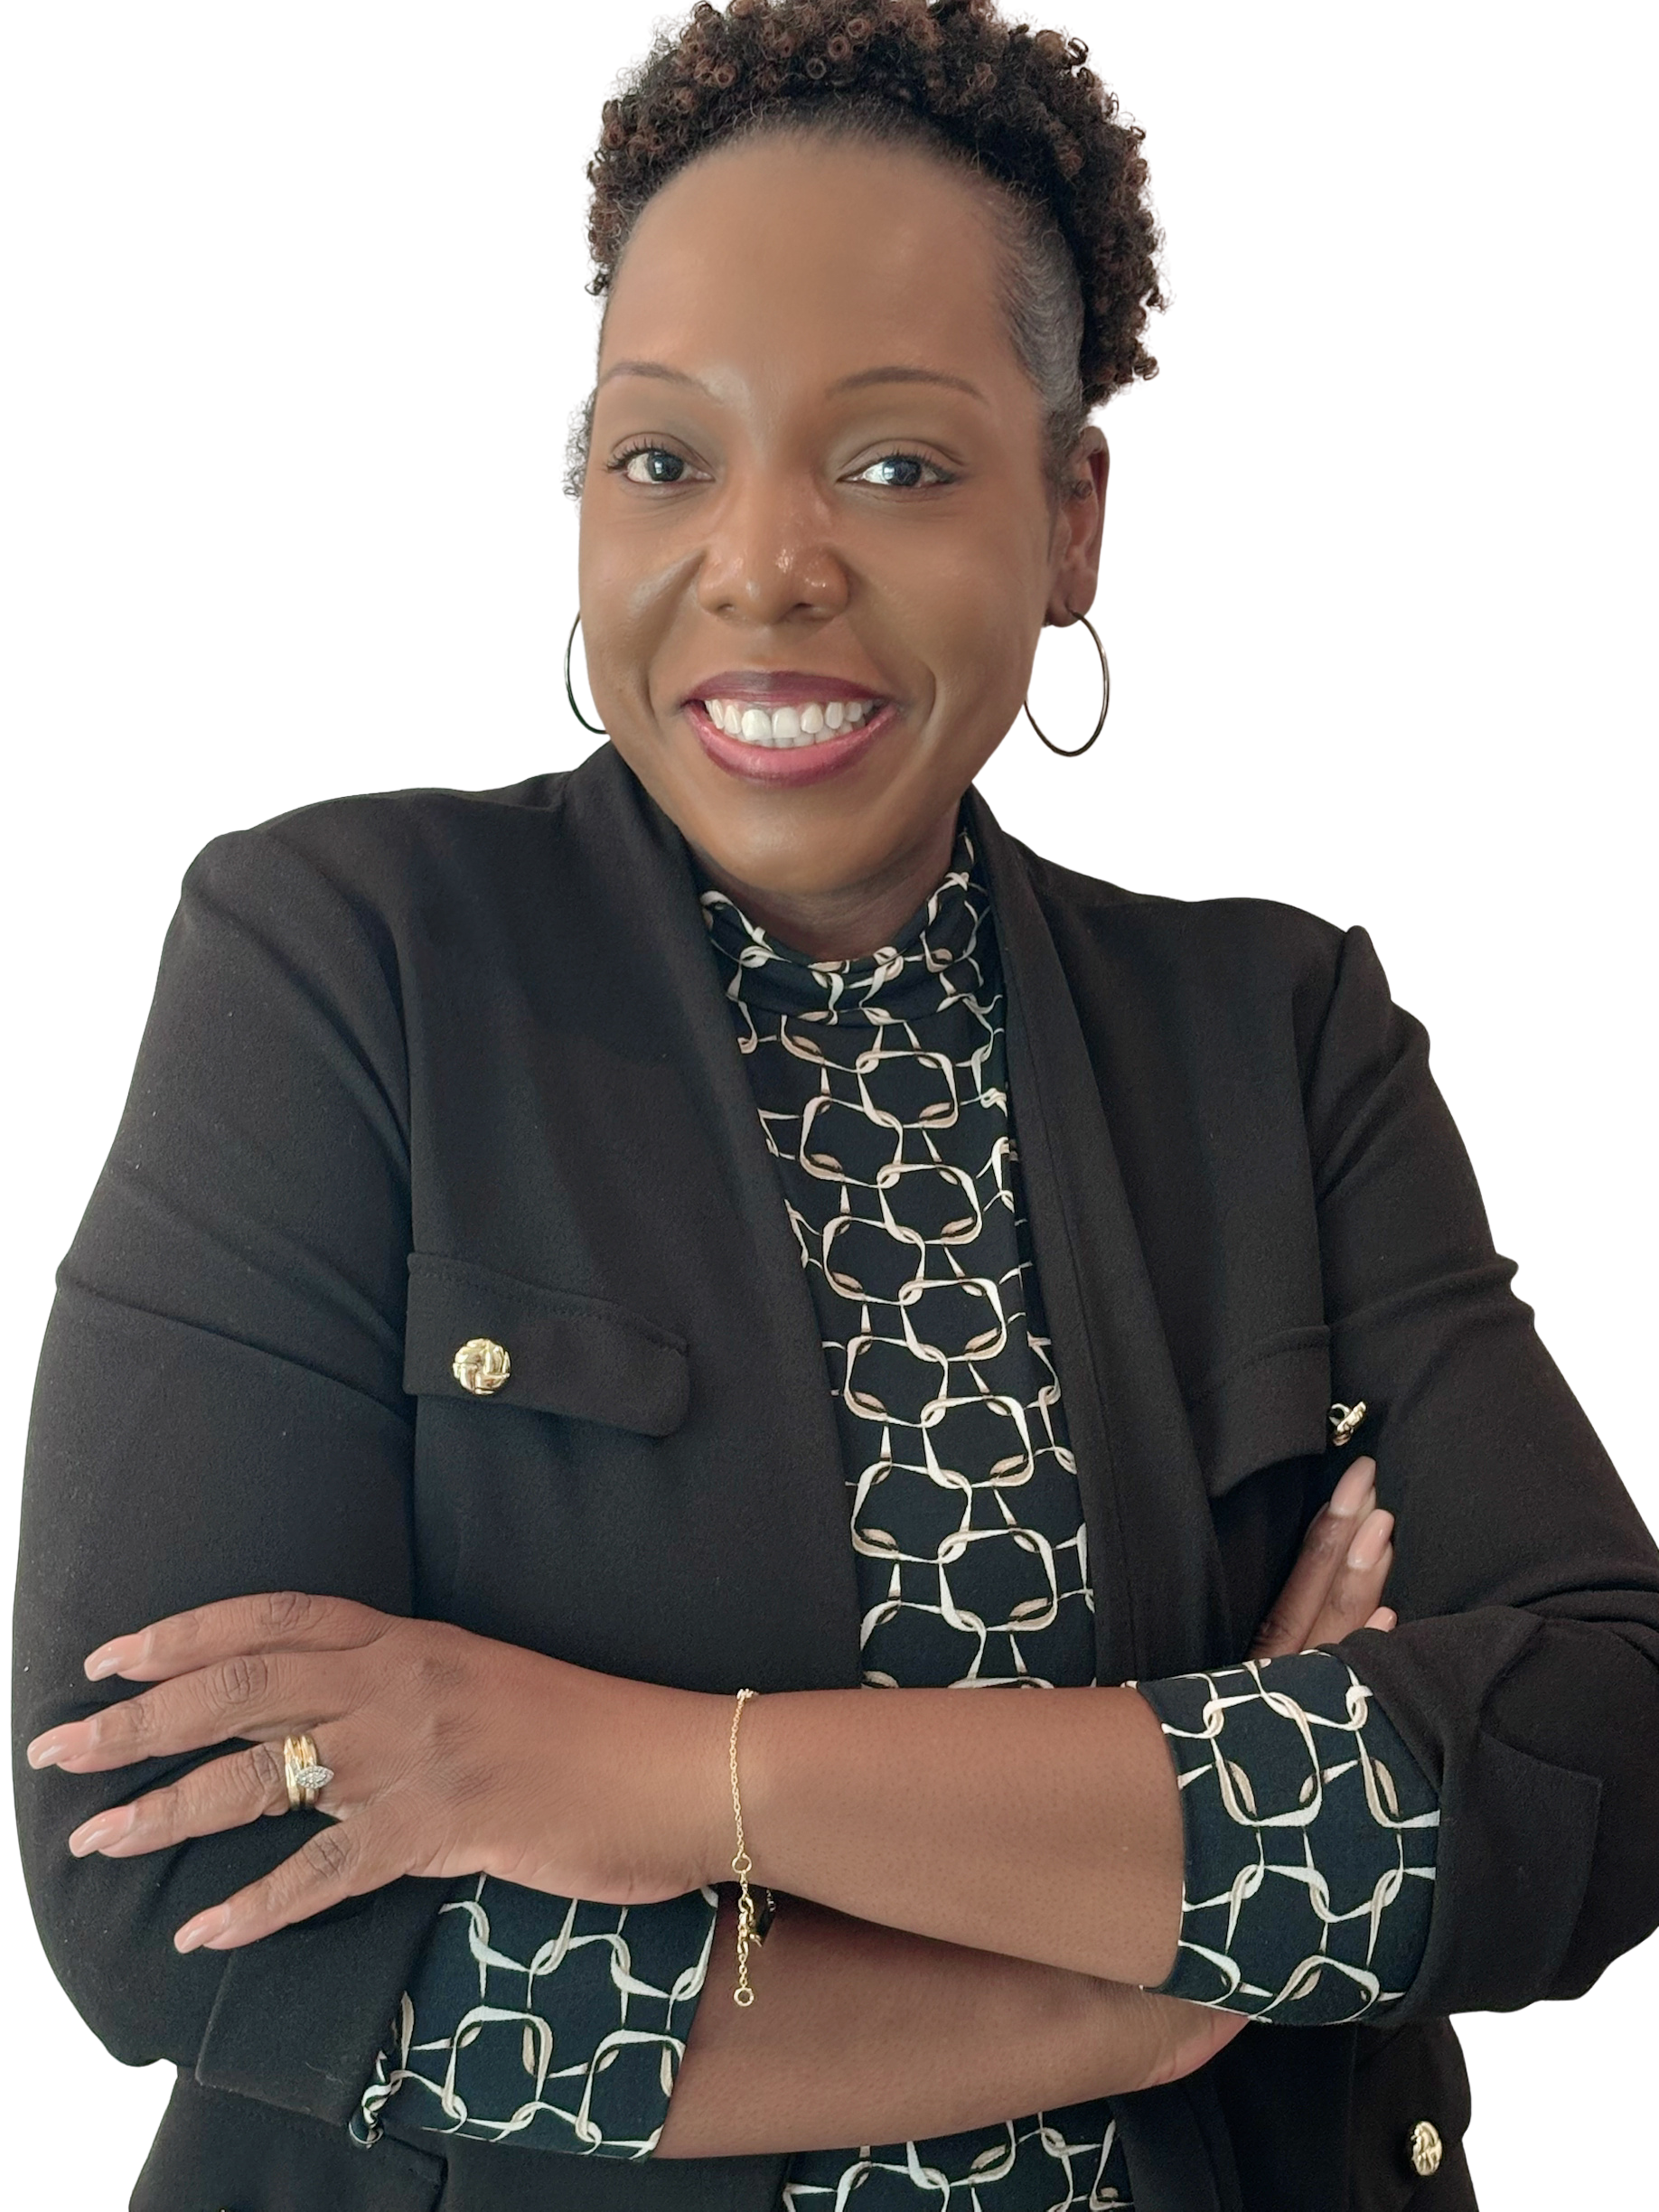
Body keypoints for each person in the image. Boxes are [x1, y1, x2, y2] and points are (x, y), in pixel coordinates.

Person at [14, 3, 1659, 2207]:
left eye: (894, 466)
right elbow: (172, 1902)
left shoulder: (1280, 1032)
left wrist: (668, 1777)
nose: (763, 560)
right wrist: (1138, 1986)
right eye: (663, 458)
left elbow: (1596, 1760)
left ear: (1073, 516)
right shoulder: (344, 964)